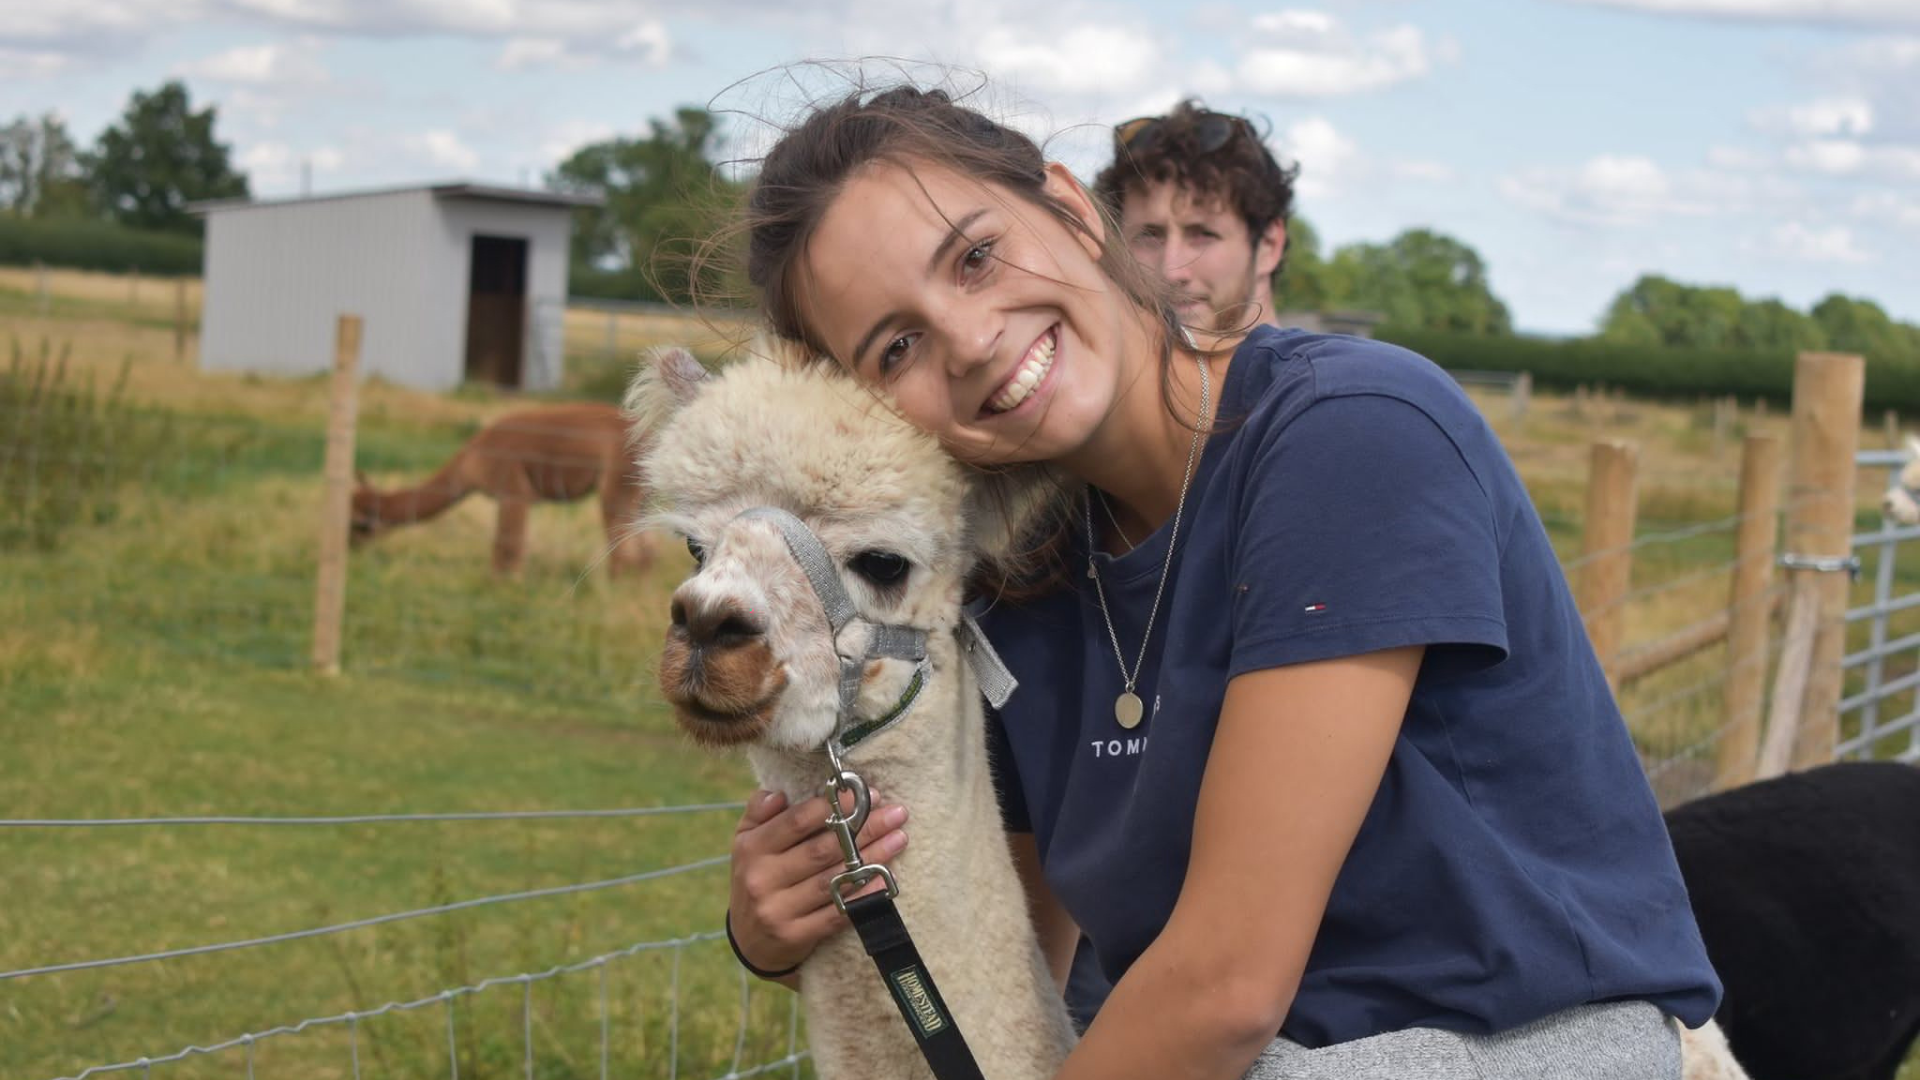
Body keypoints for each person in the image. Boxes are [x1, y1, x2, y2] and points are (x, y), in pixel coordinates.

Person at [717, 84, 1720, 1080]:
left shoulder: (1349, 437)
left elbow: (1226, 986)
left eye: (976, 256)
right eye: (898, 346)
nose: (971, 339)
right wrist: (789, 923)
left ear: (1070, 208)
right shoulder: (1017, 584)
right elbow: (1012, 959)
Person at [1093, 100, 1295, 339]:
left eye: (1202, 235)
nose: (1171, 272)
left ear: (1268, 246)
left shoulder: (1326, 373)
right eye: (1149, 236)